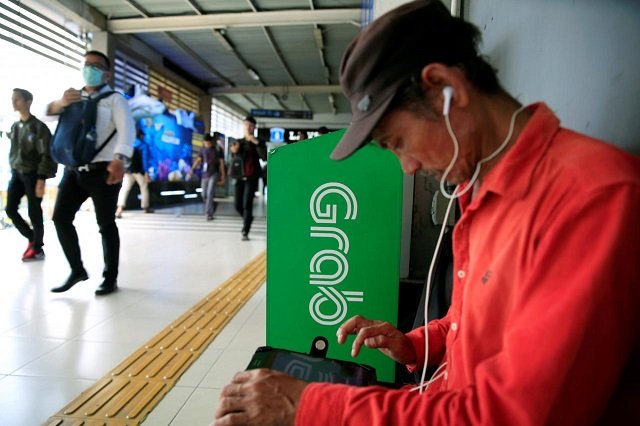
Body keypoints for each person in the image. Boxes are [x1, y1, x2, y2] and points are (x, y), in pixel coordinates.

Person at [214, 1, 640, 425]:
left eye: (398, 141)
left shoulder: (591, 199)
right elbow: (475, 323)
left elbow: (513, 415)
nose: (409, 166)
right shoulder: (478, 191)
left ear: (442, 88)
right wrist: (417, 346)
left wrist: (305, 406)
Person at [48, 50, 135, 296]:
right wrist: (60, 103)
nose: (89, 69)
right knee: (60, 219)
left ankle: (110, 277)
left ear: (107, 74)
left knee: (106, 224)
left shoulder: (115, 100)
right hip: (74, 171)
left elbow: (127, 131)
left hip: (104, 172)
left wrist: (120, 159)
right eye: (86, 64)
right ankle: (77, 270)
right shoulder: (73, 98)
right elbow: (47, 113)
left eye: (95, 66)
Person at [5, 88, 57, 261]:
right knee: (10, 209)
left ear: (28, 102)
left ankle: (37, 248)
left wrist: (41, 179)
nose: (14, 103)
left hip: (33, 175)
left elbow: (46, 155)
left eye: (17, 99)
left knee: (35, 212)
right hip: (16, 173)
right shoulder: (15, 126)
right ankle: (32, 238)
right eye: (13, 99)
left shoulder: (38, 128)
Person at [229, 116, 267, 240]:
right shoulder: (238, 142)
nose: (248, 127)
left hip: (252, 177)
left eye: (251, 125)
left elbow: (265, 157)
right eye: (246, 125)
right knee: (237, 205)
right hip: (240, 177)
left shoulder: (259, 142)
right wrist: (234, 151)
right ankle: (248, 218)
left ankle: (245, 230)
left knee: (247, 203)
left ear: (254, 127)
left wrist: (256, 143)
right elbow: (234, 159)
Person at [115, 129, 154, 218]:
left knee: (125, 188)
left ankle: (120, 209)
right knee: (144, 187)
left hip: (128, 170)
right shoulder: (143, 145)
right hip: (139, 171)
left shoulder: (128, 144)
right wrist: (146, 172)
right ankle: (146, 207)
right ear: (141, 135)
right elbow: (145, 159)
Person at [188, 133, 226, 220]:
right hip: (205, 174)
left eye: (208, 143)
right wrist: (192, 170)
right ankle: (213, 204)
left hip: (214, 173)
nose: (207, 145)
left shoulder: (217, 149)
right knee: (204, 194)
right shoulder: (203, 149)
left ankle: (209, 214)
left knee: (210, 193)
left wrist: (223, 175)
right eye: (205, 143)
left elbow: (221, 163)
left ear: (212, 142)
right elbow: (199, 160)